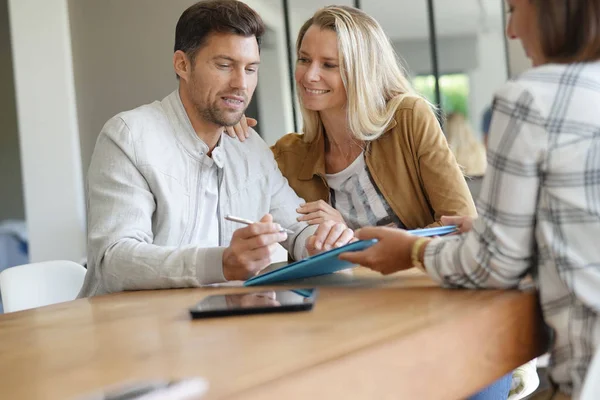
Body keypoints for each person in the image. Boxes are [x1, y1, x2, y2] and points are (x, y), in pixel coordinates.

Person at [229, 5, 509, 399]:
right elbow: (285, 242)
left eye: (330, 65)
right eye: (305, 59)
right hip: (350, 322)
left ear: (360, 71)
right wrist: (232, 129)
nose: (310, 75)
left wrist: (353, 232)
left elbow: (460, 224)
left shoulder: (409, 118)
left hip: (436, 305)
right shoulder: (287, 155)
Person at [340, 1, 600, 399]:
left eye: (514, 10)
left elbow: (494, 265)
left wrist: (413, 252)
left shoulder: (528, 98)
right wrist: (489, 231)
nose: (511, 31)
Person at [78, 0, 353, 297]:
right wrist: (221, 263)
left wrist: (319, 241)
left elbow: (296, 227)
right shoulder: (129, 136)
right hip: (130, 328)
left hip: (223, 327)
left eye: (250, 69)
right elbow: (114, 260)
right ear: (183, 64)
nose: (241, 84)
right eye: (224, 65)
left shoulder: (251, 149)